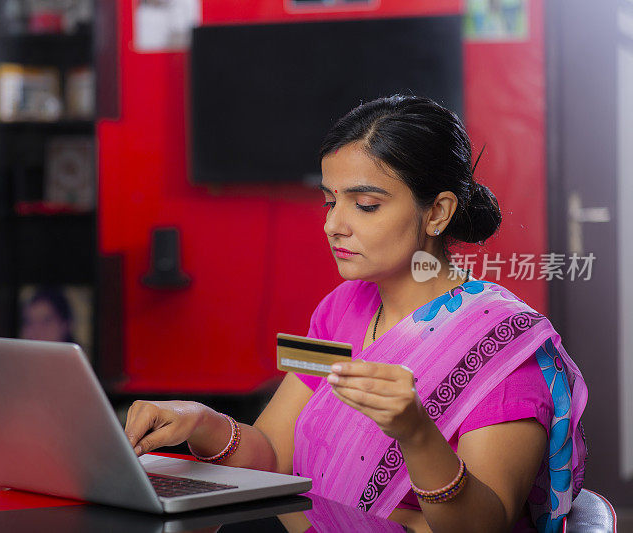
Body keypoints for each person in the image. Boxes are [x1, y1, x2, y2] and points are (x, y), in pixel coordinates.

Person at [123, 95, 588, 533]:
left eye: (365, 205)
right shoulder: (340, 309)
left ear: (438, 212)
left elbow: (485, 526)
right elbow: (271, 461)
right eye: (330, 200)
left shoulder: (501, 346)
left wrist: (416, 434)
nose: (332, 224)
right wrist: (201, 421)